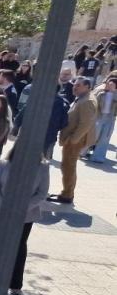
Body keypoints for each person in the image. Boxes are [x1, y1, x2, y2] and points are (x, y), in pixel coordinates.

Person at [0, 144, 49, 295]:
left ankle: (15, 286)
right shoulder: (5, 164)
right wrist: (4, 206)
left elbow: (42, 194)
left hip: (24, 215)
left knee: (18, 248)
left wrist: (22, 208)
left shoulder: (42, 167)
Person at [48, 77, 97, 205]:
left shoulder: (87, 101)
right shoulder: (82, 98)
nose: (75, 87)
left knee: (68, 166)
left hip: (76, 140)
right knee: (67, 165)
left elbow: (85, 124)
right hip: (73, 139)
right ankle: (67, 192)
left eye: (79, 86)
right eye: (75, 85)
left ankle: (67, 195)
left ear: (87, 87)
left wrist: (73, 140)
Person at [90, 77, 115, 164]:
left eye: (111, 85)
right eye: (108, 83)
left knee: (105, 138)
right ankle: (82, 151)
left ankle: (98, 157)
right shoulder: (100, 92)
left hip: (110, 118)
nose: (108, 85)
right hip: (98, 116)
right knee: (93, 135)